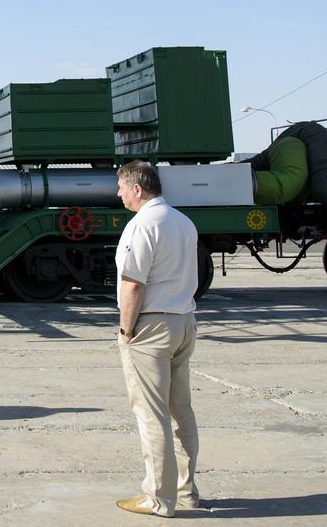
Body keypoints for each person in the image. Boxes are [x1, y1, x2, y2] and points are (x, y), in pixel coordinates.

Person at [114, 160, 202, 518]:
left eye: (121, 187)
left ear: (137, 189)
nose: (118, 193)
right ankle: (187, 491)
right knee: (181, 410)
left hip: (151, 328)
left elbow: (133, 283)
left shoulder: (141, 226)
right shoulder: (183, 221)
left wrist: (126, 330)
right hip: (184, 321)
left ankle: (158, 499)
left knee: (152, 415)